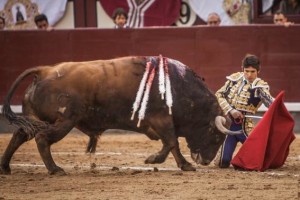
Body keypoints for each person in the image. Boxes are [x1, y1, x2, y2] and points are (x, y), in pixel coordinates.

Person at [215, 54, 274, 168]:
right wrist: (231, 110)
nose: (249, 75)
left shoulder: (260, 86)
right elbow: (219, 94)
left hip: (246, 127)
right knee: (222, 162)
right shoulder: (234, 79)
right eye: (247, 71)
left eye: (253, 71)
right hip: (230, 126)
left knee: (259, 160)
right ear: (242, 69)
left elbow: (271, 103)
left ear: (258, 71)